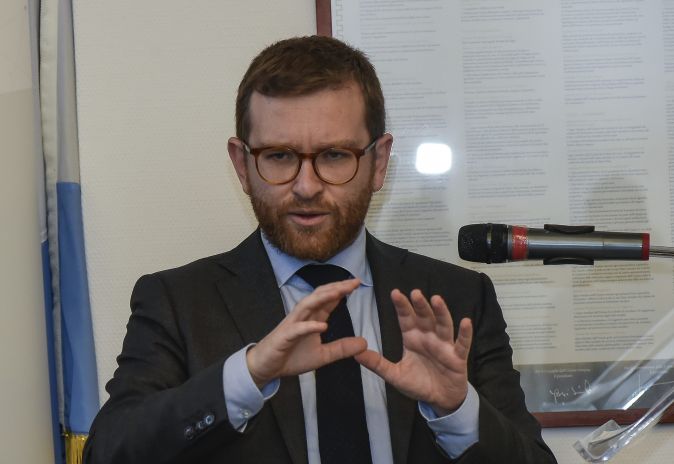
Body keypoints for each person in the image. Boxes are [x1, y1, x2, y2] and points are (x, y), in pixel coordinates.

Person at [83, 35, 556, 464]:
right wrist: (246, 376)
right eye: (279, 156)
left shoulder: (458, 298)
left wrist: (456, 409)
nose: (306, 186)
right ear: (242, 165)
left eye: (334, 156)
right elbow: (107, 453)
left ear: (379, 162)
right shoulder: (178, 302)